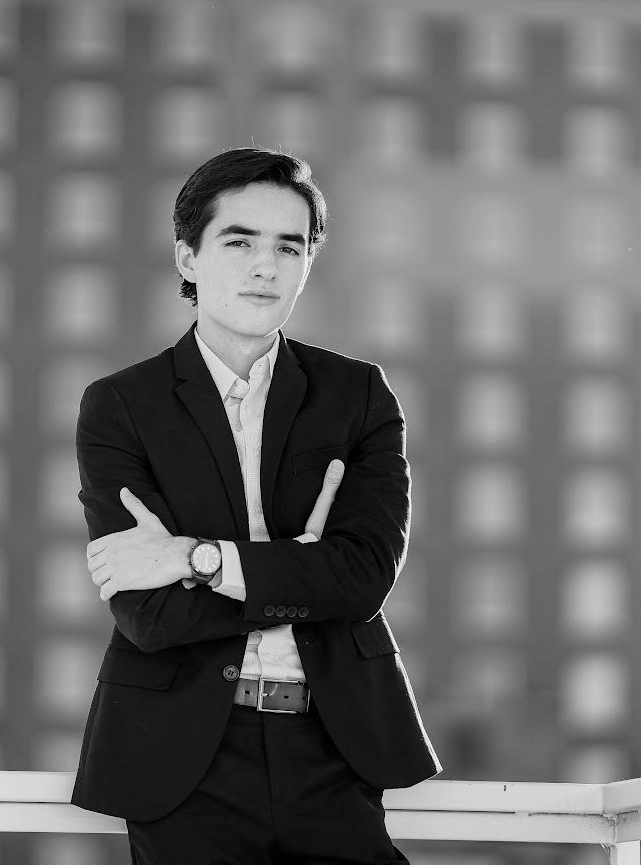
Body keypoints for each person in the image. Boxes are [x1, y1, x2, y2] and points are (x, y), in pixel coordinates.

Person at [72, 147, 439, 864]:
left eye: (288, 247)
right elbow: (149, 614)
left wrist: (196, 558)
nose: (265, 266)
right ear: (188, 256)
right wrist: (298, 572)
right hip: (180, 757)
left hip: (334, 744)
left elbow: (362, 578)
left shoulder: (356, 395)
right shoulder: (121, 406)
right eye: (239, 242)